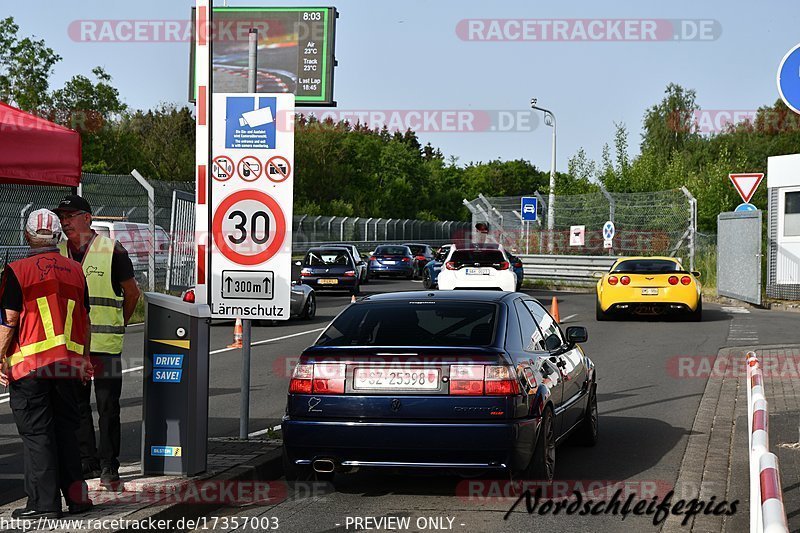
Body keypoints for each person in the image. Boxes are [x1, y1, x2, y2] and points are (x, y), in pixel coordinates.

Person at [0, 209, 93, 518]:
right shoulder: (75, 270)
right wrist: (84, 359)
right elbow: (84, 319)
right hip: (66, 365)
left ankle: (43, 506)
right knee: (67, 431)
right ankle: (78, 500)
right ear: (58, 237)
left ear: (27, 236)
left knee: (37, 434)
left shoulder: (16, 270)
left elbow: (10, 320)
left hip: (30, 367)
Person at [54, 195, 140, 489]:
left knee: (107, 408)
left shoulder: (112, 250)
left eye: (70, 216)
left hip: (105, 344)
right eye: (62, 217)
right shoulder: (59, 252)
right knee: (76, 406)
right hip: (73, 344)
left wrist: (121, 322)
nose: (65, 222)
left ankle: (109, 467)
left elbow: (132, 293)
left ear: (87, 218)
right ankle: (86, 463)